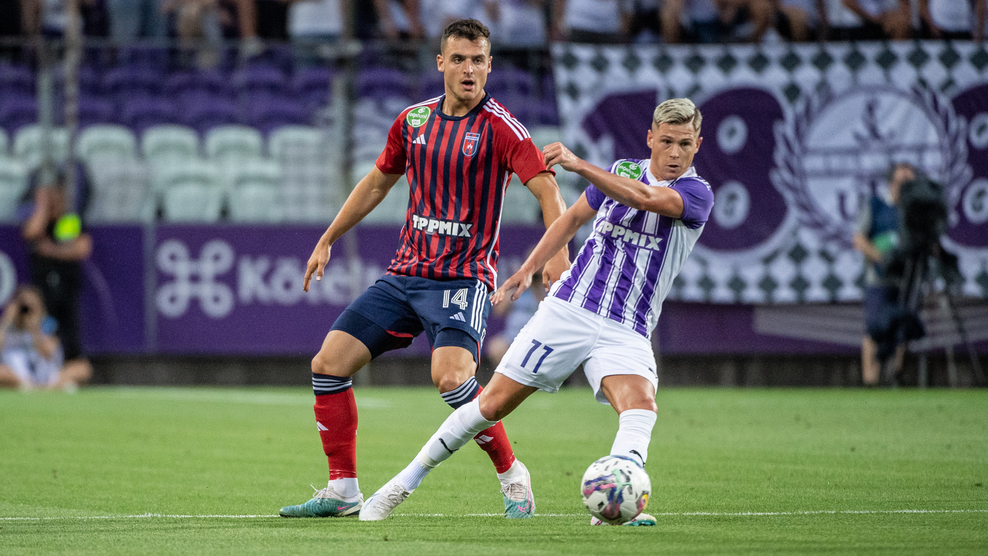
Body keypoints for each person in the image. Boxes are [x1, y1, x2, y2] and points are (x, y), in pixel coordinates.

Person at [357, 97, 714, 525]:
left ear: (697, 145)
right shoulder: (622, 170)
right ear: (651, 138)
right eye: (668, 142)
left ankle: (615, 499)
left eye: (685, 144)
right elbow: (571, 219)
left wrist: (579, 165)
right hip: (569, 310)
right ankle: (400, 485)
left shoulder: (697, 193)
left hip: (627, 327)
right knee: (490, 406)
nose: (675, 153)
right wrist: (529, 268)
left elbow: (644, 197)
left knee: (640, 407)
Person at [279, 18, 571, 520]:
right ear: (440, 63)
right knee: (328, 364)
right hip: (405, 274)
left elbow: (548, 190)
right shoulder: (413, 121)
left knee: (451, 378)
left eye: (477, 60)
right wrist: (328, 238)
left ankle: (511, 474)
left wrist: (557, 255)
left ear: (489, 66)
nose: (468, 70)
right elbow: (377, 182)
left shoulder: (503, 129)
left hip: (462, 279)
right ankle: (343, 489)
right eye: (458, 59)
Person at [22, 168, 94, 387]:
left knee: (72, 348)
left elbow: (80, 248)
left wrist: (51, 250)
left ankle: (57, 379)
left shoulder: (67, 221)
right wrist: (42, 207)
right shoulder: (39, 220)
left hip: (66, 295)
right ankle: (41, 376)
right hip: (43, 298)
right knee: (42, 337)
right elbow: (31, 233)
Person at [852, 162, 915, 387]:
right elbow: (859, 238)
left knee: (901, 329)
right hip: (879, 279)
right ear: (890, 183)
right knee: (875, 328)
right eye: (901, 181)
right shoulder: (877, 206)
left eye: (910, 182)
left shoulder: (914, 210)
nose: (905, 187)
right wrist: (883, 258)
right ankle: (870, 380)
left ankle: (894, 377)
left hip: (906, 279)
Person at [0, 285, 92, 391]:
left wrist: (34, 329)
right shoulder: (9, 328)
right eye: (24, 305)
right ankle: (39, 386)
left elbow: (49, 353)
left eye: (32, 305)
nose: (27, 310)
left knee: (83, 367)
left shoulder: (48, 324)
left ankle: (48, 387)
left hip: (47, 376)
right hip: (17, 376)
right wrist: (7, 320)